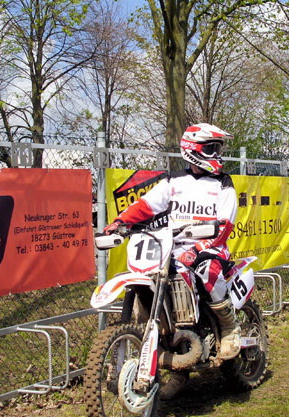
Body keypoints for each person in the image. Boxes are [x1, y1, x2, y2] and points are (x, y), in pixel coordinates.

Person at [102, 123, 240, 360]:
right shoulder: (173, 181)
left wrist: (200, 247)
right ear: (192, 149)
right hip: (172, 247)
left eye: (218, 149)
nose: (217, 154)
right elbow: (145, 205)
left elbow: (226, 224)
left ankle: (229, 327)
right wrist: (119, 222)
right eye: (211, 149)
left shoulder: (223, 183)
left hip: (212, 247)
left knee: (208, 271)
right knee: (153, 276)